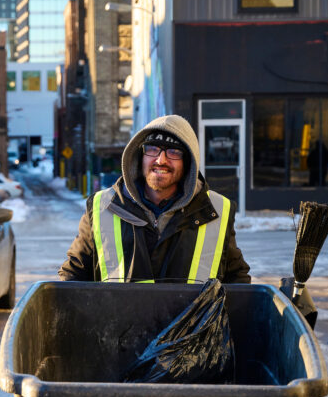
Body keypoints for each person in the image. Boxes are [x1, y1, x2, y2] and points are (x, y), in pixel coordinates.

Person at [59, 114, 251, 284]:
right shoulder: (102, 207)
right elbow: (73, 275)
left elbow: (237, 281)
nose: (161, 160)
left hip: (193, 326)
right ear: (139, 156)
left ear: (188, 163)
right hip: (119, 325)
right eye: (152, 149)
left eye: (174, 152)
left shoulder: (216, 210)